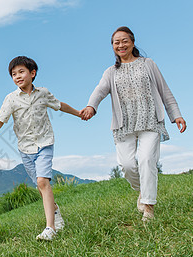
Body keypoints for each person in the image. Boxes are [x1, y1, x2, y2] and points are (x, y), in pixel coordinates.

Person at [80, 26, 187, 221]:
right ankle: (144, 191)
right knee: (127, 165)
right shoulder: (111, 72)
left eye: (124, 41)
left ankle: (148, 207)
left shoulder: (148, 64)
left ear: (132, 42)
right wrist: (91, 106)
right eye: (116, 42)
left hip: (150, 120)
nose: (120, 45)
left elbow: (165, 90)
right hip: (124, 124)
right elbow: (99, 91)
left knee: (147, 159)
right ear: (112, 46)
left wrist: (176, 115)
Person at [0, 56, 81, 241]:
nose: (17, 76)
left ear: (32, 73)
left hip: (44, 143)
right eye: (13, 74)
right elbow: (0, 120)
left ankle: (49, 228)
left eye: (21, 72)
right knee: (41, 186)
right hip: (25, 149)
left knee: (43, 182)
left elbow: (60, 106)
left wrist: (78, 113)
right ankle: (56, 212)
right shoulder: (10, 99)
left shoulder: (43, 93)